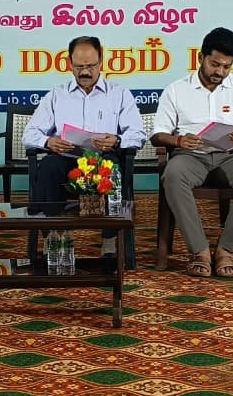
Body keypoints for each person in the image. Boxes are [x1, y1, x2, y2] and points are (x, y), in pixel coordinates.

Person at [151, 27, 233, 278]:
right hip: (191, 157)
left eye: (227, 66)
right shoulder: (176, 90)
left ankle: (227, 249)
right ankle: (199, 251)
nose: (220, 72)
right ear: (200, 57)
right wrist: (179, 140)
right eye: (215, 64)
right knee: (173, 175)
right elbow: (158, 134)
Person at [22, 36, 145, 256]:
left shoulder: (119, 94)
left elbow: (138, 134)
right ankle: (54, 237)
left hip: (103, 159)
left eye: (91, 66)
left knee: (111, 169)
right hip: (67, 159)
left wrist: (117, 140)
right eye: (79, 67)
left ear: (101, 62)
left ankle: (110, 241)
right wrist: (48, 141)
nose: (85, 72)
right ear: (69, 64)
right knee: (49, 167)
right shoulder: (57, 95)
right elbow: (29, 134)